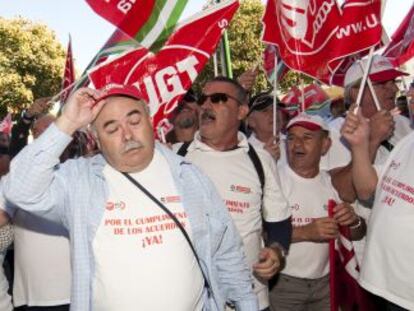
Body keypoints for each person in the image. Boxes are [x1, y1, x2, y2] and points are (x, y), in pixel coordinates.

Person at [2, 84, 258, 311]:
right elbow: (19, 189)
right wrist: (67, 121)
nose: (127, 135)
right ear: (97, 141)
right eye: (111, 129)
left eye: (134, 122)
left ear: (150, 121)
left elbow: (228, 253)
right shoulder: (79, 182)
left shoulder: (189, 177)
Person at [174, 77, 292, 311]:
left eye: (218, 99)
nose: (206, 106)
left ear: (241, 111)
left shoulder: (260, 159)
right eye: (203, 99)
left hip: (250, 299)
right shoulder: (177, 158)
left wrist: (277, 252)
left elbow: (279, 221)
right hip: (193, 301)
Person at [269, 113, 365, 311]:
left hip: (326, 285)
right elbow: (260, 233)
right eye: (292, 138)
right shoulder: (273, 180)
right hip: (283, 284)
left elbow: (358, 232)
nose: (297, 144)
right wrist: (306, 232)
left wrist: (353, 221)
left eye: (307, 137)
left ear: (325, 146)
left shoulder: (332, 183)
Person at [341, 103, 414, 311]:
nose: (410, 95)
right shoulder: (409, 141)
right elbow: (367, 190)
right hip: (387, 286)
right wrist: (359, 145)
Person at [6, 98, 72, 311]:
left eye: (56, 131)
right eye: (44, 132)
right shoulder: (20, 176)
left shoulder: (78, 171)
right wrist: (25, 119)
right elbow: (17, 148)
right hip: (36, 294)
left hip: (77, 289)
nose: (51, 137)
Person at [246, 92, 287, 163]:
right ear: (251, 121)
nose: (274, 113)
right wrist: (265, 158)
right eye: (265, 111)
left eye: (276, 109)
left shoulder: (293, 143)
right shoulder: (245, 151)